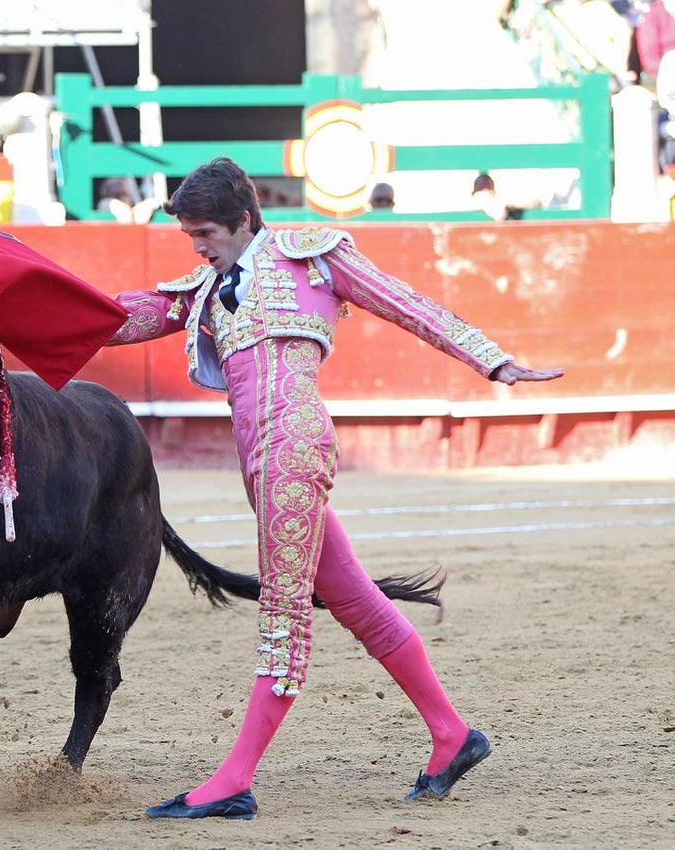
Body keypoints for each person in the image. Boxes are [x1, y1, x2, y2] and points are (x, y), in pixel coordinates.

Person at [106, 157, 564, 820]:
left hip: (292, 443)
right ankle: (451, 736)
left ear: (243, 220)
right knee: (358, 601)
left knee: (283, 618)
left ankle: (234, 779)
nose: (197, 246)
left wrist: (491, 358)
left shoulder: (311, 255)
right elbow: (111, 318)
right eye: (189, 236)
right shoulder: (204, 288)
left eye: (205, 232)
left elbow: (406, 304)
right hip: (260, 459)